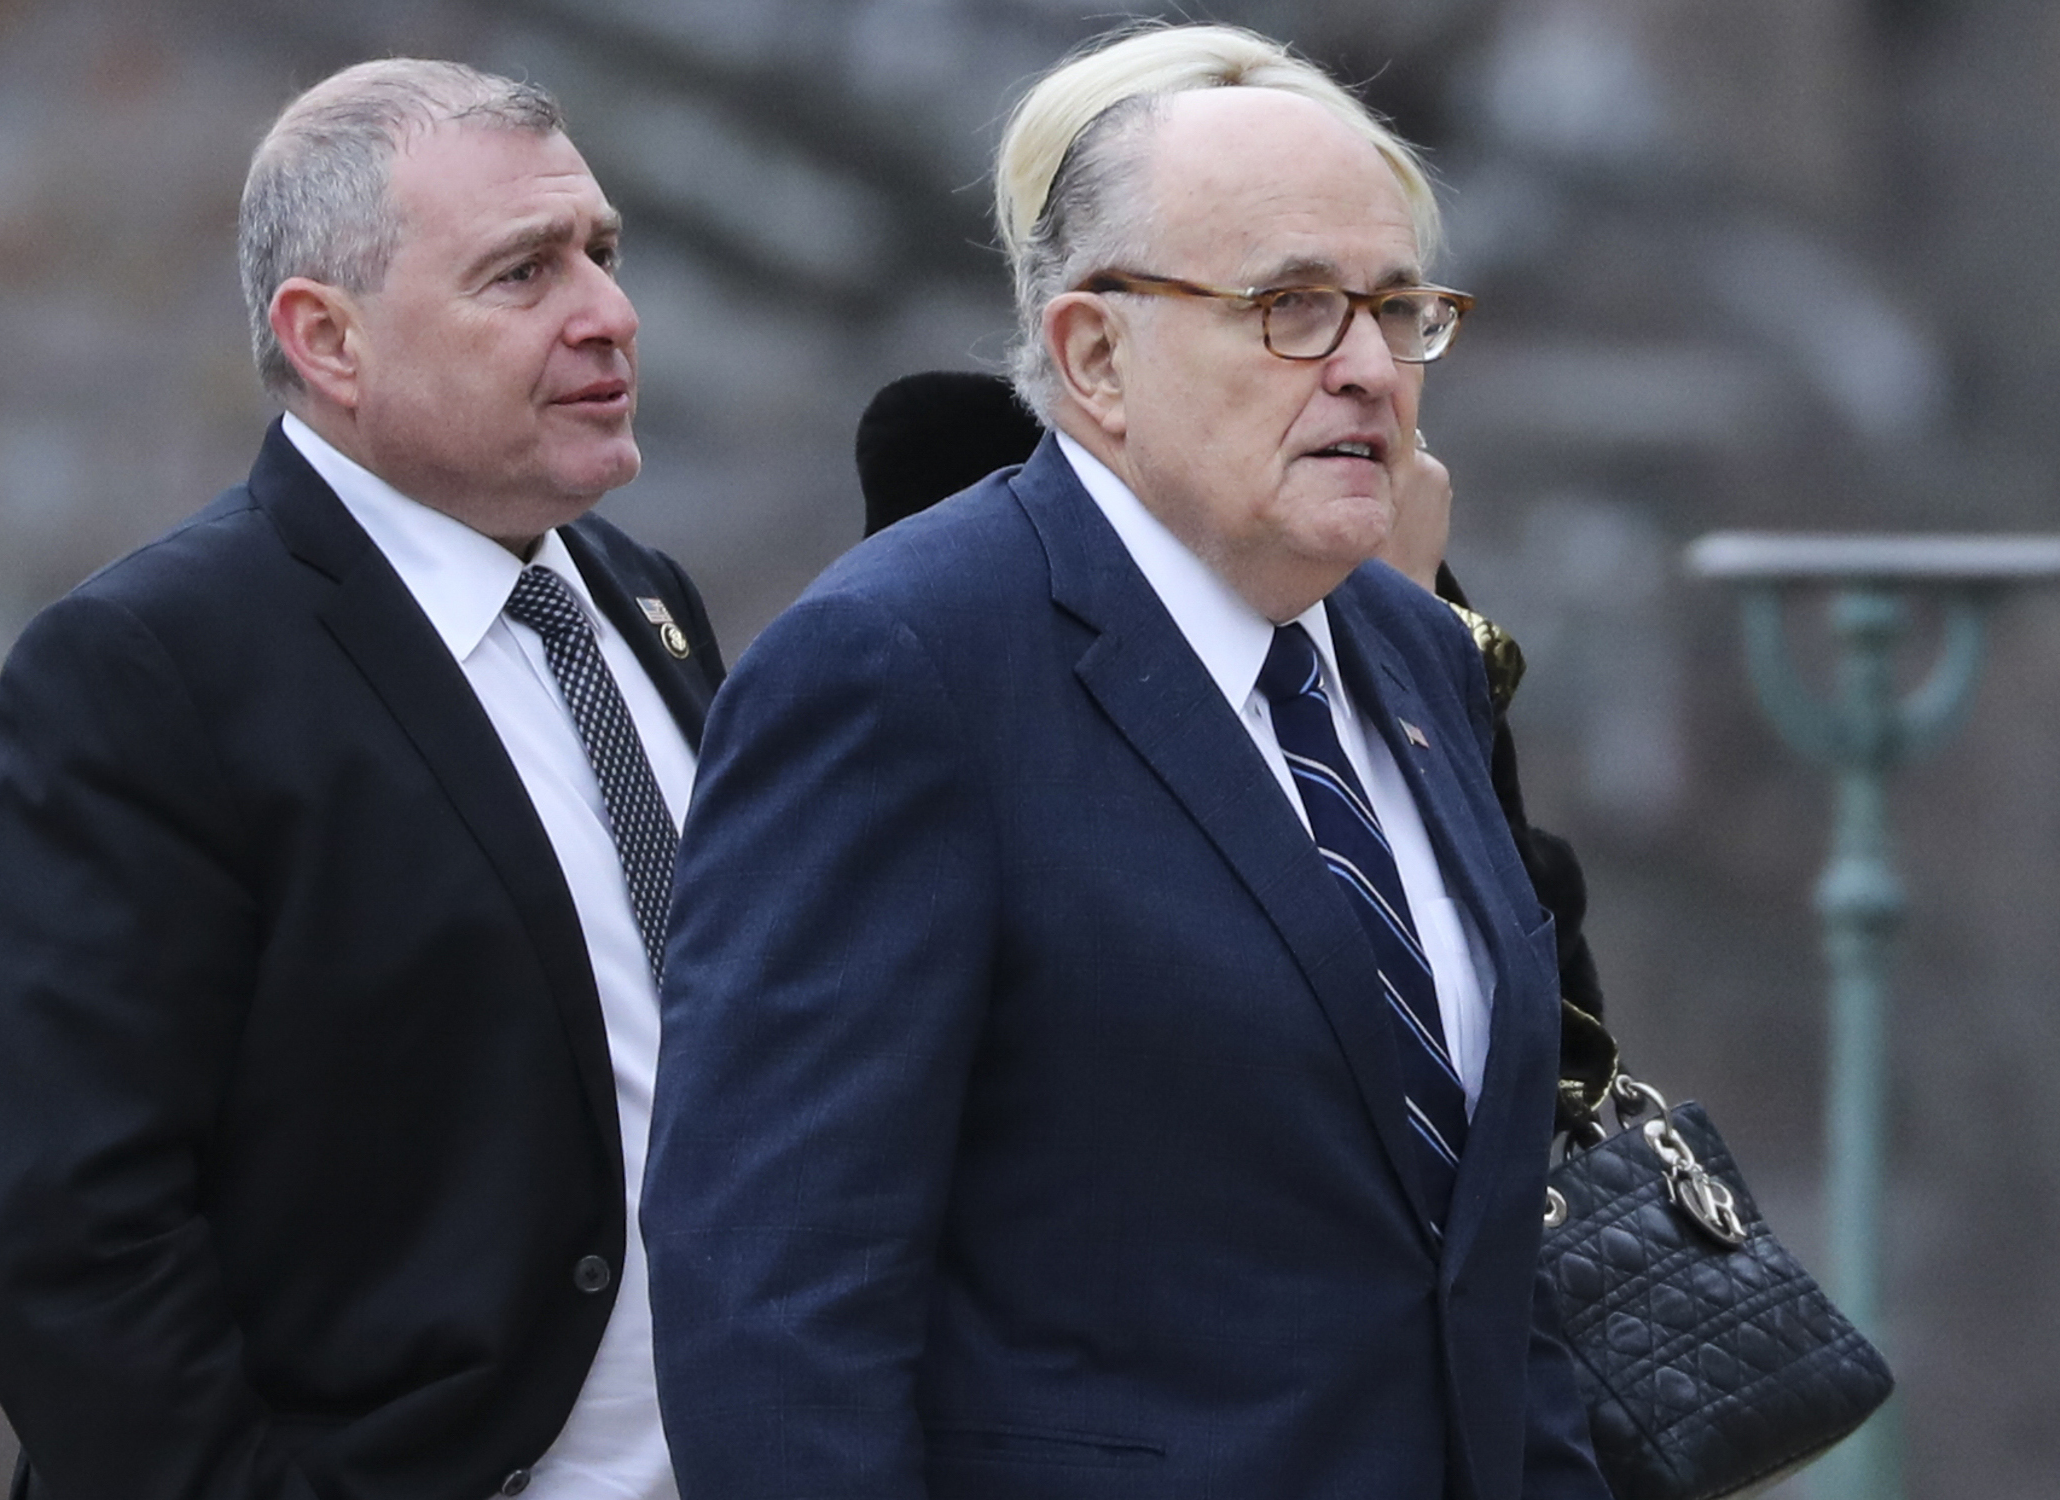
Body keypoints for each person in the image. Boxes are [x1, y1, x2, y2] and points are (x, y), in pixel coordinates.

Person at [643, 22, 1611, 1500]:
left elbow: (1481, 1254)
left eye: (1396, 307)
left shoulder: (1414, 657)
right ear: (1094, 353)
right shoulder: (899, 667)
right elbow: (773, 1299)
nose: (1365, 367)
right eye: (1290, 307)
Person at [0, 60, 721, 1500]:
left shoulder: (643, 601)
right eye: (522, 272)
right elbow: (85, 1252)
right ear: (329, 339)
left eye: (603, 254)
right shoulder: (141, 672)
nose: (606, 313)